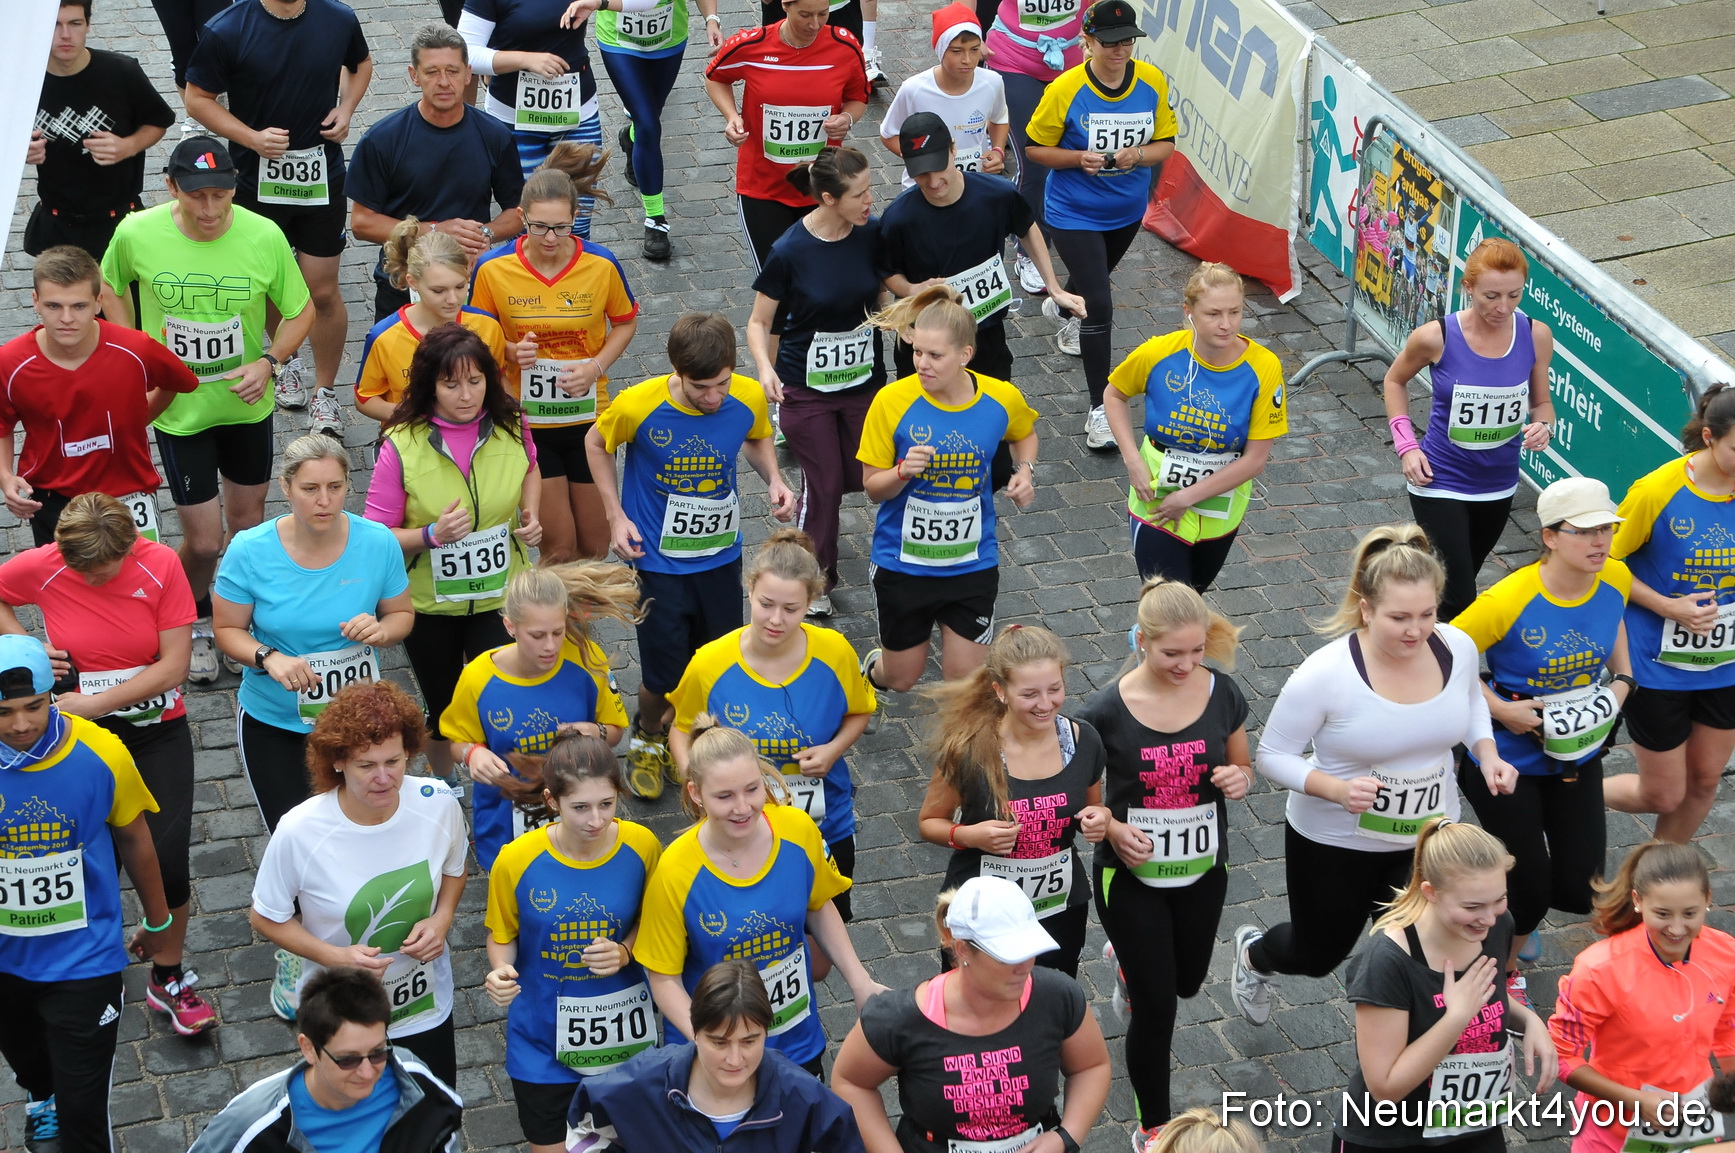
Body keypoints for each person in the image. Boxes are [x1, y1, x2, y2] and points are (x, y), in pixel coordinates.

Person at [1231, 525, 1517, 1025]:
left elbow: (1471, 704)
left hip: (1429, 837)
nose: (1416, 630)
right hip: (1335, 840)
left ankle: (1415, 1059)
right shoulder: (1325, 675)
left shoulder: (1457, 647)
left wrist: (1486, 752)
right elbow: (1274, 755)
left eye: (1427, 614)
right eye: (1399, 617)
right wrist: (1337, 790)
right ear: (1366, 609)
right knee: (1318, 955)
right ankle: (1257, 955)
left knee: (1421, 952)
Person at [99, 136, 314, 685]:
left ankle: (236, 623)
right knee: (203, 540)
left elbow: (300, 310)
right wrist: (135, 348)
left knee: (245, 530)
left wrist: (269, 360)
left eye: (221, 195)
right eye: (197, 197)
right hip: (180, 411)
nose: (211, 209)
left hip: (246, 406)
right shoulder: (136, 232)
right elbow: (108, 284)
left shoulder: (263, 234)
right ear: (172, 188)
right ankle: (192, 620)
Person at [0, 494, 215, 1038]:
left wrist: (95, 703)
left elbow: (173, 668)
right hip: (77, 741)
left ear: (129, 546)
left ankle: (168, 974)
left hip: (151, 730)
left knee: (166, 857)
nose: (93, 580)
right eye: (82, 571)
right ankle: (83, 972)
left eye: (104, 571)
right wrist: (22, 645)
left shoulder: (161, 563)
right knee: (73, 854)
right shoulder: (47, 565)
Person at [585, 312, 795, 799]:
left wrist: (776, 480)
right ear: (676, 372)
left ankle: (701, 742)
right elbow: (596, 443)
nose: (715, 397)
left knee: (716, 660)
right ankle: (650, 734)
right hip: (658, 561)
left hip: (720, 555)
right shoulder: (638, 406)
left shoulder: (743, 396)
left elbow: (757, 435)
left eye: (722, 383)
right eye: (702, 387)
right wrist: (616, 516)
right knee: (664, 670)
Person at [1078, 578, 1252, 1147]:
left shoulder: (1222, 693)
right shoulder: (1104, 710)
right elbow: (1081, 789)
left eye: (1197, 650)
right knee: (1157, 1009)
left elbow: (1241, 761)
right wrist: (1112, 826)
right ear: (1141, 641)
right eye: (1172, 652)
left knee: (1188, 981)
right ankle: (1152, 1127)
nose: (1187, 664)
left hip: (1203, 863)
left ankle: (1131, 966)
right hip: (1129, 875)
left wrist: (1237, 779)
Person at [1451, 477, 1635, 1005]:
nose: (1599, 542)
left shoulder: (1616, 576)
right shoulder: (1509, 597)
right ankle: (1503, 981)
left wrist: (1622, 680)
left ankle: (1521, 932)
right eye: (1584, 532)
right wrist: (1501, 709)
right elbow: (1445, 659)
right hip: (1507, 760)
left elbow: (1615, 618)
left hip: (1578, 749)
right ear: (1550, 537)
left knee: (1582, 886)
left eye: (1606, 529)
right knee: (1526, 886)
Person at [0, 633, 174, 1153]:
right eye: (4, 712)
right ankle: (39, 1095)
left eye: (34, 706)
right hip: (5, 961)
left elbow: (135, 838)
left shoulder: (101, 749)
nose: (22, 724)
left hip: (86, 957)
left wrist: (159, 922)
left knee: (84, 1115)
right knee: (28, 1059)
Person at [634, 718, 885, 1074]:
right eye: (724, 796)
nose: (743, 807)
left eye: (752, 789)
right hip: (714, 1058)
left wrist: (860, 981)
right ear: (695, 794)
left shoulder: (797, 830)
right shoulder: (675, 870)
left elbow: (818, 905)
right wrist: (710, 1045)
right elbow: (662, 977)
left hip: (794, 1042)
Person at [250, 681, 469, 1086]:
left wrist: (442, 919)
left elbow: (455, 870)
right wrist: (333, 956)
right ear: (337, 762)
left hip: (423, 1003)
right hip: (341, 1012)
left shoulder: (438, 803)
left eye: (394, 761)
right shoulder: (300, 831)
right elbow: (267, 916)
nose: (384, 778)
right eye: (366, 766)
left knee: (432, 1116)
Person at [365, 323, 543, 785]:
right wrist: (429, 535)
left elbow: (531, 469)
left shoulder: (513, 421)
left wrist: (530, 513)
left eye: (475, 380)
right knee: (442, 704)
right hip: (430, 603)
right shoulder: (400, 443)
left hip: (501, 595)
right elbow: (375, 537)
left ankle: (508, 785)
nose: (466, 395)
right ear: (430, 385)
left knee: (499, 697)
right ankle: (443, 787)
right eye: (451, 384)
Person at [669, 530, 876, 923]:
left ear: (810, 602)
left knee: (819, 954)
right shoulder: (710, 662)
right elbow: (681, 728)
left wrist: (833, 750)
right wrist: (693, 778)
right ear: (749, 590)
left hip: (823, 825)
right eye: (766, 605)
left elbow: (859, 710)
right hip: (737, 829)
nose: (776, 620)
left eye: (791, 609)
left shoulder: (835, 653)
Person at [184, 0, 374, 429]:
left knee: (322, 291)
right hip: (255, 179)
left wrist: (346, 110)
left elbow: (360, 64)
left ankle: (325, 391)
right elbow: (197, 98)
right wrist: (251, 138)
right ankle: (283, 361)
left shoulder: (337, 17)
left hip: (321, 174)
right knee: (268, 285)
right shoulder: (227, 28)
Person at [214, 434, 415, 832]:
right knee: (294, 837)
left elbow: (402, 615)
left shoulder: (378, 542)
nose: (324, 500)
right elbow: (226, 628)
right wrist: (268, 658)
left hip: (358, 720)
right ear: (286, 488)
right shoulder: (249, 550)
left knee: (364, 831)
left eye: (335, 487)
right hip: (276, 720)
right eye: (310, 489)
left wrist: (381, 630)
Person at [830, 878, 1113, 1153]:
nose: (1024, 966)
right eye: (1006, 956)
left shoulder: (1057, 996)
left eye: (1029, 950)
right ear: (963, 949)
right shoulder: (899, 1017)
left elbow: (1091, 1066)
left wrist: (1065, 1136)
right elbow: (850, 1082)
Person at [857, 286, 1039, 694]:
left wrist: (1025, 471)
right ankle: (872, 670)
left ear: (965, 355)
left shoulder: (1000, 397)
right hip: (903, 563)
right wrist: (902, 471)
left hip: (971, 562)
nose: (921, 364)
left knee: (965, 684)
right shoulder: (891, 402)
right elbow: (872, 489)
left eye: (934, 355)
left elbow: (1024, 433)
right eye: (917, 351)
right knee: (902, 679)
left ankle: (956, 757)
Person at [485, 734, 661, 1153]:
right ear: (552, 801)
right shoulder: (515, 859)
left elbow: (656, 922)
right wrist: (499, 970)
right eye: (580, 807)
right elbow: (501, 934)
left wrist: (625, 950)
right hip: (542, 1041)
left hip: (626, 1036)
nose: (596, 820)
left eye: (606, 804)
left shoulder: (643, 846)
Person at [1337, 819, 1557, 1153]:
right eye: (1472, 907)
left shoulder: (1498, 926)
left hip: (1472, 1122)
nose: (1489, 917)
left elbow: (1487, 995)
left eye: (1500, 899)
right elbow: (1384, 1087)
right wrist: (1456, 1018)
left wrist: (1530, 1021)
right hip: (1392, 1138)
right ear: (1431, 893)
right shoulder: (1387, 961)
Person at [471, 148, 638, 564]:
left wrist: (595, 366)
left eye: (561, 228)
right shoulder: (493, 269)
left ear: (576, 217)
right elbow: (472, 336)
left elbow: (625, 323)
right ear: (521, 217)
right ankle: (560, 631)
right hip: (528, 419)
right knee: (559, 552)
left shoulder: (601, 265)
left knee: (596, 548)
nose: (549, 239)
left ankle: (577, 629)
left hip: (589, 418)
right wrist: (509, 349)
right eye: (540, 227)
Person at [1025, 0, 1176, 451]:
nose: (1119, 50)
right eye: (1109, 43)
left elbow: (1166, 142)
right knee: (1102, 305)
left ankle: (1065, 306)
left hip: (1126, 210)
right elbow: (1035, 148)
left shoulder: (1150, 80)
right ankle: (1099, 410)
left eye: (1127, 40)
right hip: (1073, 211)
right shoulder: (1066, 88)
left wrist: (1139, 155)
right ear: (1086, 42)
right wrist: (1077, 159)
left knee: (1093, 284)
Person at [1382, 236, 1556, 621]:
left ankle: (1408, 638)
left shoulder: (1535, 335)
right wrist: (1407, 446)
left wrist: (1544, 426)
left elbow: (1541, 403)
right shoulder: (1436, 336)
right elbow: (1394, 381)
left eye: (1514, 295)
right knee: (1460, 596)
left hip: (1498, 484)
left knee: (1448, 591)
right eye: (1491, 296)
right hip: (1439, 479)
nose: (1503, 307)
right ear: (1468, 287)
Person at [917, 625, 1103, 977]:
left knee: (1049, 1001)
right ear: (1000, 691)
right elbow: (929, 821)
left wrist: (1099, 820)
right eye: (1030, 694)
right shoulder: (968, 748)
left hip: (1057, 906)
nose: (1046, 704)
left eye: (1055, 689)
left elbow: (1094, 807)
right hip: (982, 912)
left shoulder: (1084, 741)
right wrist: (970, 836)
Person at [747, 148, 885, 612]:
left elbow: (882, 290)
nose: (870, 200)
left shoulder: (871, 234)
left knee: (856, 475)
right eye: (860, 194)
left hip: (863, 382)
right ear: (828, 198)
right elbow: (758, 321)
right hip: (805, 389)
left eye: (870, 189)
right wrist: (765, 370)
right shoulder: (790, 251)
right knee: (824, 484)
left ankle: (813, 521)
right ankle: (813, 579)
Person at [1102, 262, 1288, 592]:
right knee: (1170, 609)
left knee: (1192, 597)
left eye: (1235, 312)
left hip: (1221, 507)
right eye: (1213, 314)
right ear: (1189, 312)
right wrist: (1132, 461)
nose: (1226, 324)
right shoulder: (1159, 352)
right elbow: (1114, 394)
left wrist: (1188, 496)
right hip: (1157, 500)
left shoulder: (1264, 367)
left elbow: (1256, 459)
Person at [1602, 382, 1735, 844]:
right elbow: (1604, 563)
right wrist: (1667, 606)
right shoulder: (1656, 490)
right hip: (1655, 662)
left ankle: (1655, 883)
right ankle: (1569, 793)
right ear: (1709, 438)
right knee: (1663, 793)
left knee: (1703, 782)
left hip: (1725, 664)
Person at [0, 246, 197, 546]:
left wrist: (136, 419)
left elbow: (178, 381)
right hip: (53, 501)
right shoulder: (10, 362)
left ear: (98, 302)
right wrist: (5, 476)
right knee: (66, 590)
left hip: (129, 496)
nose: (66, 318)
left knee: (137, 586)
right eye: (54, 306)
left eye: (79, 306)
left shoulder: (136, 349)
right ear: (35, 302)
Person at [566, 959, 868, 1153]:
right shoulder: (641, 1082)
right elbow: (585, 1126)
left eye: (749, 1041)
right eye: (719, 1043)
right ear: (694, 1031)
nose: (735, 1060)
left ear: (766, 1031)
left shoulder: (804, 1097)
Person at [443, 567, 633, 872]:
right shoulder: (478, 677)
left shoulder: (588, 660)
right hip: (506, 816)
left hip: (580, 812)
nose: (550, 646)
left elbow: (615, 731)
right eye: (537, 635)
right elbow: (457, 740)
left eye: (558, 632)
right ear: (510, 626)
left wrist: (595, 731)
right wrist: (472, 753)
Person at [1550, 841, 1735, 1153]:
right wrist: (1636, 1101)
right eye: (1662, 914)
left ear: (1708, 900)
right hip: (1612, 1131)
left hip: (1695, 1120)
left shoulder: (1725, 953)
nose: (1677, 929)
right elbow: (1561, 1055)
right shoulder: (1599, 969)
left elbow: (1727, 1027)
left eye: (1690, 913)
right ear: (1638, 901)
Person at [875, 114, 1080, 388]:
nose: (934, 181)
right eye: (922, 173)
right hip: (925, 341)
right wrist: (912, 290)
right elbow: (887, 271)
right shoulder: (898, 218)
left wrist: (1054, 287)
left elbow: (1027, 226)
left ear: (953, 149)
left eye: (939, 167)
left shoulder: (997, 195)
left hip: (983, 331)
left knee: (991, 411)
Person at [347, 23, 525, 322]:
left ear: (468, 73)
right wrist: (434, 230)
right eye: (432, 72)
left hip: (469, 280)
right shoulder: (382, 139)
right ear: (414, 75)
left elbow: (518, 212)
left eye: (452, 71)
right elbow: (362, 223)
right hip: (403, 280)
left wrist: (484, 234)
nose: (444, 82)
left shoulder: (494, 135)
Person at [186, 966, 465, 1153]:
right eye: (348, 1060)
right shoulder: (250, 1122)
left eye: (379, 1052)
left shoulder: (412, 1076)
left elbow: (444, 1133)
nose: (368, 1073)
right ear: (308, 1048)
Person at [704, 0, 870, 270]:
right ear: (785, 6)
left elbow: (857, 97)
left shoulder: (845, 47)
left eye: (823, 14)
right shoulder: (751, 45)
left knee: (821, 280)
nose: (815, 24)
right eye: (805, 15)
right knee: (777, 287)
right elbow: (715, 76)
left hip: (823, 188)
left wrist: (847, 118)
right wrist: (732, 117)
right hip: (763, 189)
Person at [26, 1, 174, 259]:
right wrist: (17, 150)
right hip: (57, 222)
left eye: (75, 24)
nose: (65, 35)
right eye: (54, 25)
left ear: (88, 25)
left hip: (118, 220)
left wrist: (128, 146)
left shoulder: (121, 72)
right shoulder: (23, 79)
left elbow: (159, 121)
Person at [458, 0, 604, 236]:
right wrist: (525, 60)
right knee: (525, 227)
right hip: (513, 122)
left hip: (577, 118)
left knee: (575, 227)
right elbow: (465, 52)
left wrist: (602, 2)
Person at [594, 0, 723, 260]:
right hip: (619, 41)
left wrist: (712, 19)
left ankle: (631, 139)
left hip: (668, 41)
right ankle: (655, 220)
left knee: (651, 115)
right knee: (649, 125)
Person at [354, 222, 510, 426]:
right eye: (439, 290)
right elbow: (365, 398)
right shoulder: (384, 337)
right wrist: (415, 413)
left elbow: (499, 380)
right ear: (413, 282)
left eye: (460, 286)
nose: (453, 299)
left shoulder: (487, 326)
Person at [979, 0, 1086, 295]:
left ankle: (1062, 230)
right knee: (1035, 166)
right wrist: (973, 33)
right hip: (1012, 60)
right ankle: (1029, 254)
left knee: (1067, 158)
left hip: (1072, 62)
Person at [879, 6, 1008, 189]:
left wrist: (998, 150)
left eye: (974, 49)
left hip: (972, 185)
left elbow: (999, 119)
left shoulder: (992, 82)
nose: (967, 59)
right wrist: (924, 161)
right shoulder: (914, 89)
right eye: (957, 51)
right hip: (925, 187)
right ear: (940, 50)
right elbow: (888, 134)